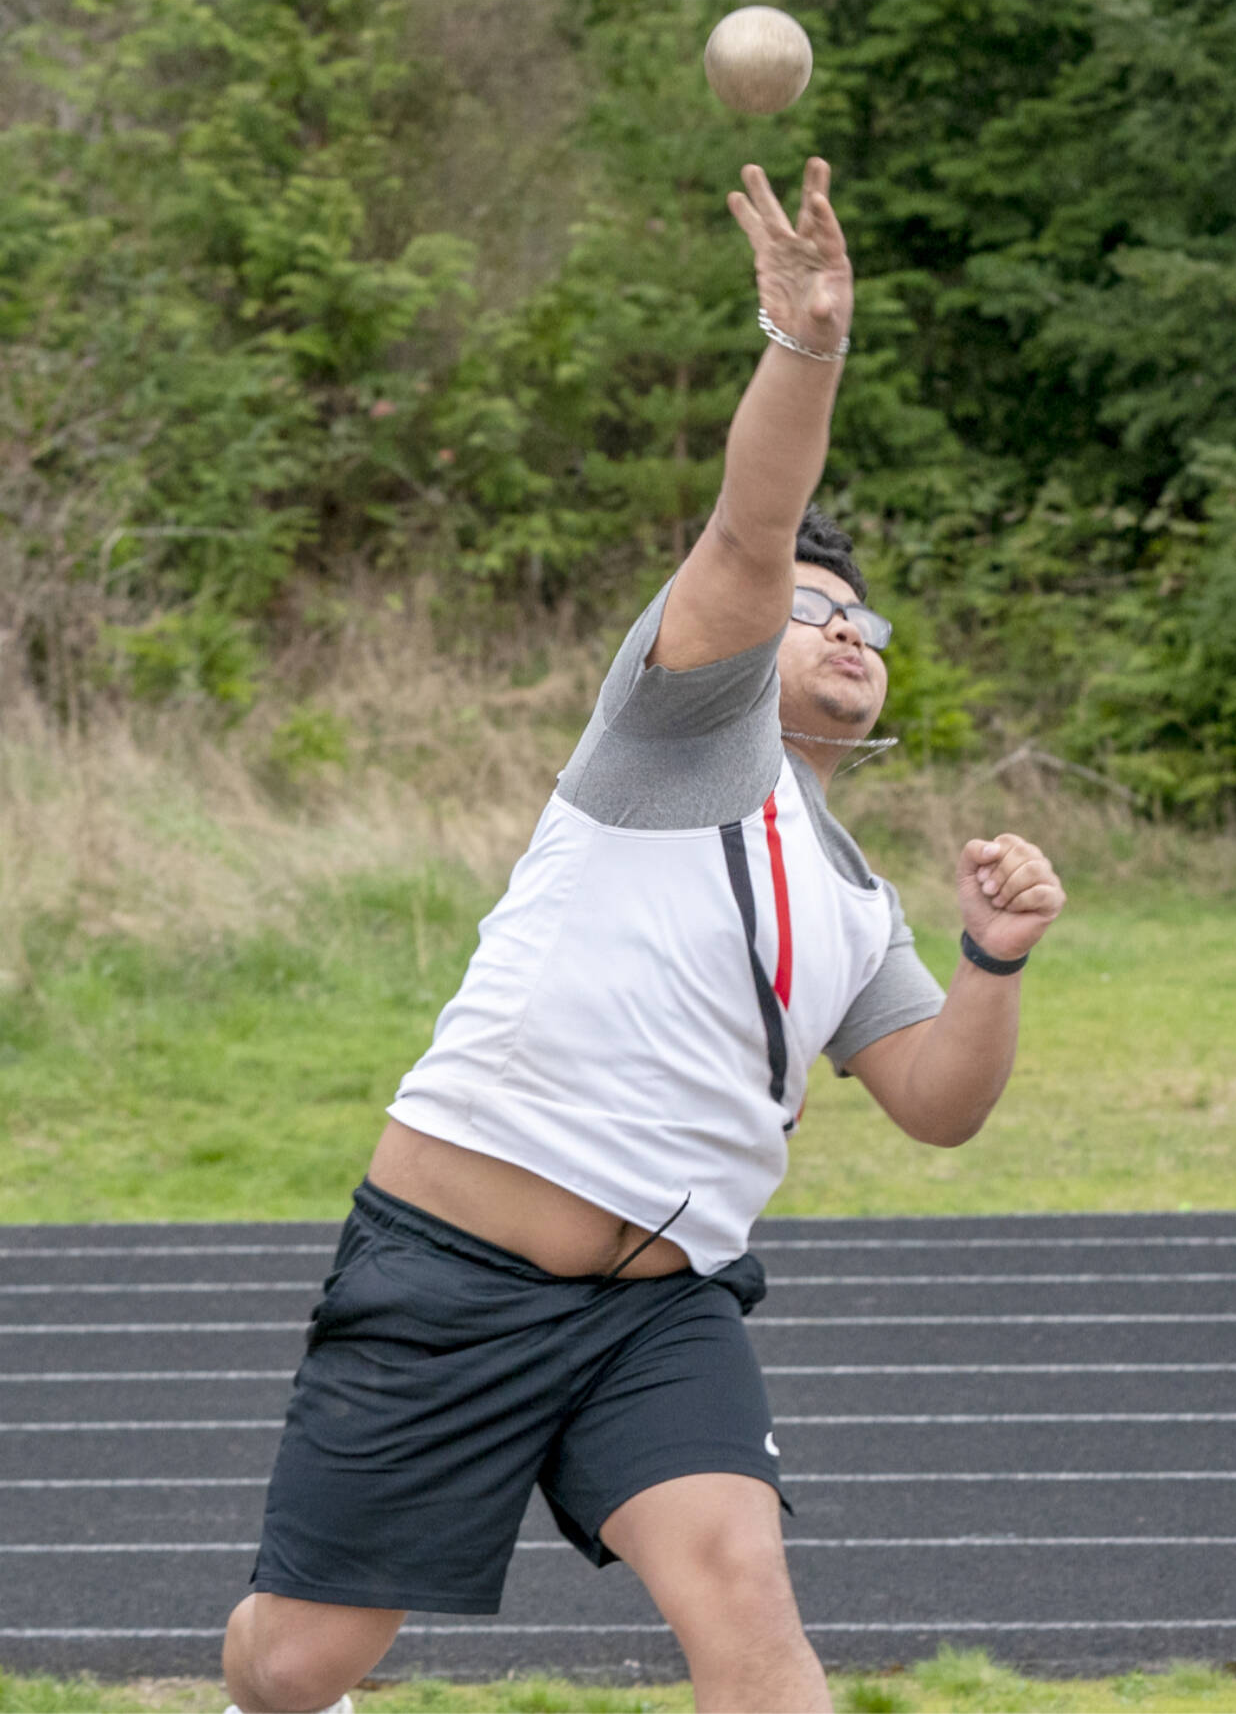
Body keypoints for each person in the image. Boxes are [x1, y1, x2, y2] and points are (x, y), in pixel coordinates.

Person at [222, 157, 1065, 1714]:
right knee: (296, 1661)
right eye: (816, 608)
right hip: (457, 1270)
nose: (841, 632)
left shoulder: (860, 897)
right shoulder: (677, 734)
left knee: (744, 1592)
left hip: (660, 1309)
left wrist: (996, 956)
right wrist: (809, 342)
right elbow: (751, 536)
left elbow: (940, 1101)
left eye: (866, 624)